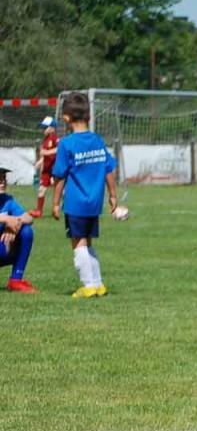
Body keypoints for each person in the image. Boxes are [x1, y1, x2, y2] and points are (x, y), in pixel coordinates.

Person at [51, 91, 118, 299]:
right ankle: (98, 284)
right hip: (94, 203)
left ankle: (88, 285)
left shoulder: (66, 144)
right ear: (88, 115)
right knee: (88, 242)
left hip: (76, 203)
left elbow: (60, 176)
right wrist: (113, 195)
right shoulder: (97, 140)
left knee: (78, 243)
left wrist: (55, 203)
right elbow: (108, 169)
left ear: (66, 117)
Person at [0, 167, 38, 293]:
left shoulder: (7, 200)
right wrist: (6, 219)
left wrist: (16, 225)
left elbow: (29, 217)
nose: (3, 182)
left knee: (26, 231)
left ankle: (15, 280)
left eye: (4, 178)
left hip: (3, 249)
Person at [33, 116, 58, 218]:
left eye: (45, 127)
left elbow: (59, 149)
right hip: (47, 170)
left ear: (52, 128)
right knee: (41, 189)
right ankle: (39, 211)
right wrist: (39, 162)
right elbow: (45, 156)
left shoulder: (55, 138)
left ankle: (59, 208)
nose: (43, 129)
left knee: (59, 190)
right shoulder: (45, 140)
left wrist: (47, 152)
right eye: (42, 127)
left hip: (55, 168)